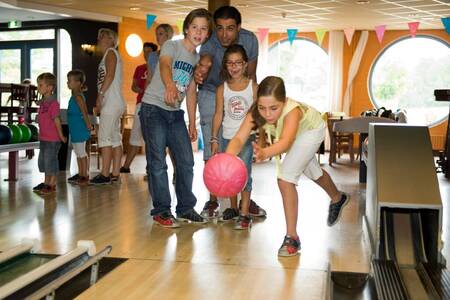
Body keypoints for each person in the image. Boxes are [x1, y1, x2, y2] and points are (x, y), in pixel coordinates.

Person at [226, 76, 350, 257]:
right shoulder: (255, 113)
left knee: (285, 179)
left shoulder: (292, 112)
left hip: (311, 130)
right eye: (262, 108)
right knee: (313, 172)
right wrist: (227, 160)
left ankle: (293, 238)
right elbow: (238, 138)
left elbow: (285, 142)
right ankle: (338, 198)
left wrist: (265, 153)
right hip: (296, 136)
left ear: (284, 102)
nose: (267, 114)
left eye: (273, 108)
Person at [139, 8, 213, 228]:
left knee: (186, 161)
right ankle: (162, 210)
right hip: (153, 109)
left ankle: (185, 208)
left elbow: (191, 91)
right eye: (194, 27)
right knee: (158, 163)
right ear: (186, 29)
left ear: (207, 34)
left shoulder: (197, 58)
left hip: (175, 113)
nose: (198, 32)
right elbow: (164, 65)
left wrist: (192, 122)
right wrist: (170, 84)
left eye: (203, 29)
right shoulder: (173, 45)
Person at [194, 5, 266, 219]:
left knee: (241, 150)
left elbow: (251, 74)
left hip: (241, 89)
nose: (224, 34)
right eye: (220, 29)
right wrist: (203, 68)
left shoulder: (250, 40)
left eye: (230, 29)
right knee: (212, 145)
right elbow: (205, 58)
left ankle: (242, 195)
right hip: (212, 89)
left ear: (239, 28)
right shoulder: (209, 38)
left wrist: (252, 107)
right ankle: (213, 199)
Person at [210, 45, 257, 229]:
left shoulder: (253, 87)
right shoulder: (222, 88)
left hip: (246, 139)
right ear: (225, 65)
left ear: (245, 64)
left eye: (238, 63)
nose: (234, 67)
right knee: (230, 175)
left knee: (244, 174)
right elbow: (218, 115)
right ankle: (233, 208)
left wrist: (260, 140)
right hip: (227, 138)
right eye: (230, 63)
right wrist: (214, 139)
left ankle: (244, 213)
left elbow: (258, 117)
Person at [90, 28, 126, 185]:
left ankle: (104, 174)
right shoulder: (109, 54)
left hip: (111, 102)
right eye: (99, 37)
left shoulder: (111, 52)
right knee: (115, 138)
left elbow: (109, 75)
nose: (99, 39)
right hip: (115, 101)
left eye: (103, 37)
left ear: (112, 40)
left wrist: (100, 95)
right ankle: (115, 173)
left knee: (104, 137)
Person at [120, 42, 158, 173]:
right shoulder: (139, 68)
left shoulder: (159, 67)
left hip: (154, 105)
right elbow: (133, 86)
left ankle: (151, 168)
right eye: (144, 51)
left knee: (151, 138)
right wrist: (143, 89)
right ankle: (126, 166)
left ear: (154, 53)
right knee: (135, 136)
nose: (146, 54)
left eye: (149, 52)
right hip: (140, 104)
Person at [32, 72, 67, 194]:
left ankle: (51, 184)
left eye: (41, 85)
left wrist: (61, 135)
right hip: (44, 138)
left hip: (53, 140)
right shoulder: (43, 103)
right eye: (38, 85)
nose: (38, 87)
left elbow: (57, 120)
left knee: (50, 161)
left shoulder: (54, 104)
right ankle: (46, 182)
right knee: (43, 162)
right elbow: (41, 109)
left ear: (50, 87)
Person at [66, 70, 91, 185]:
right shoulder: (74, 96)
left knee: (82, 153)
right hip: (75, 129)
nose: (67, 82)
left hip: (80, 128)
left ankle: (84, 175)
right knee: (77, 152)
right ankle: (80, 174)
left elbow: (84, 112)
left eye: (70, 80)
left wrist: (87, 124)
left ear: (78, 83)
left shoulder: (78, 97)